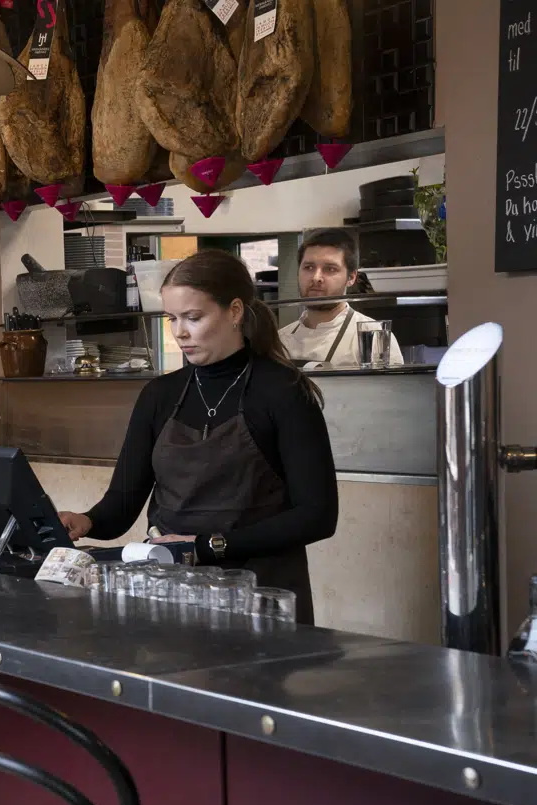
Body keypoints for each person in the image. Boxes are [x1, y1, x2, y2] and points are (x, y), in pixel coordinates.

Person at [58, 250, 338, 623]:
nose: (179, 333)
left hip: (261, 600)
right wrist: (86, 521)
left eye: (193, 317)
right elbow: (122, 504)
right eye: (172, 318)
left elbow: (318, 516)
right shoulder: (159, 396)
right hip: (171, 595)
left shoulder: (284, 392)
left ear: (235, 311)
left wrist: (207, 546)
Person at [278, 228, 405, 368]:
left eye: (330, 269)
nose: (316, 277)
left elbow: (390, 390)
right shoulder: (279, 340)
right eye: (309, 267)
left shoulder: (374, 338)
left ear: (351, 277)